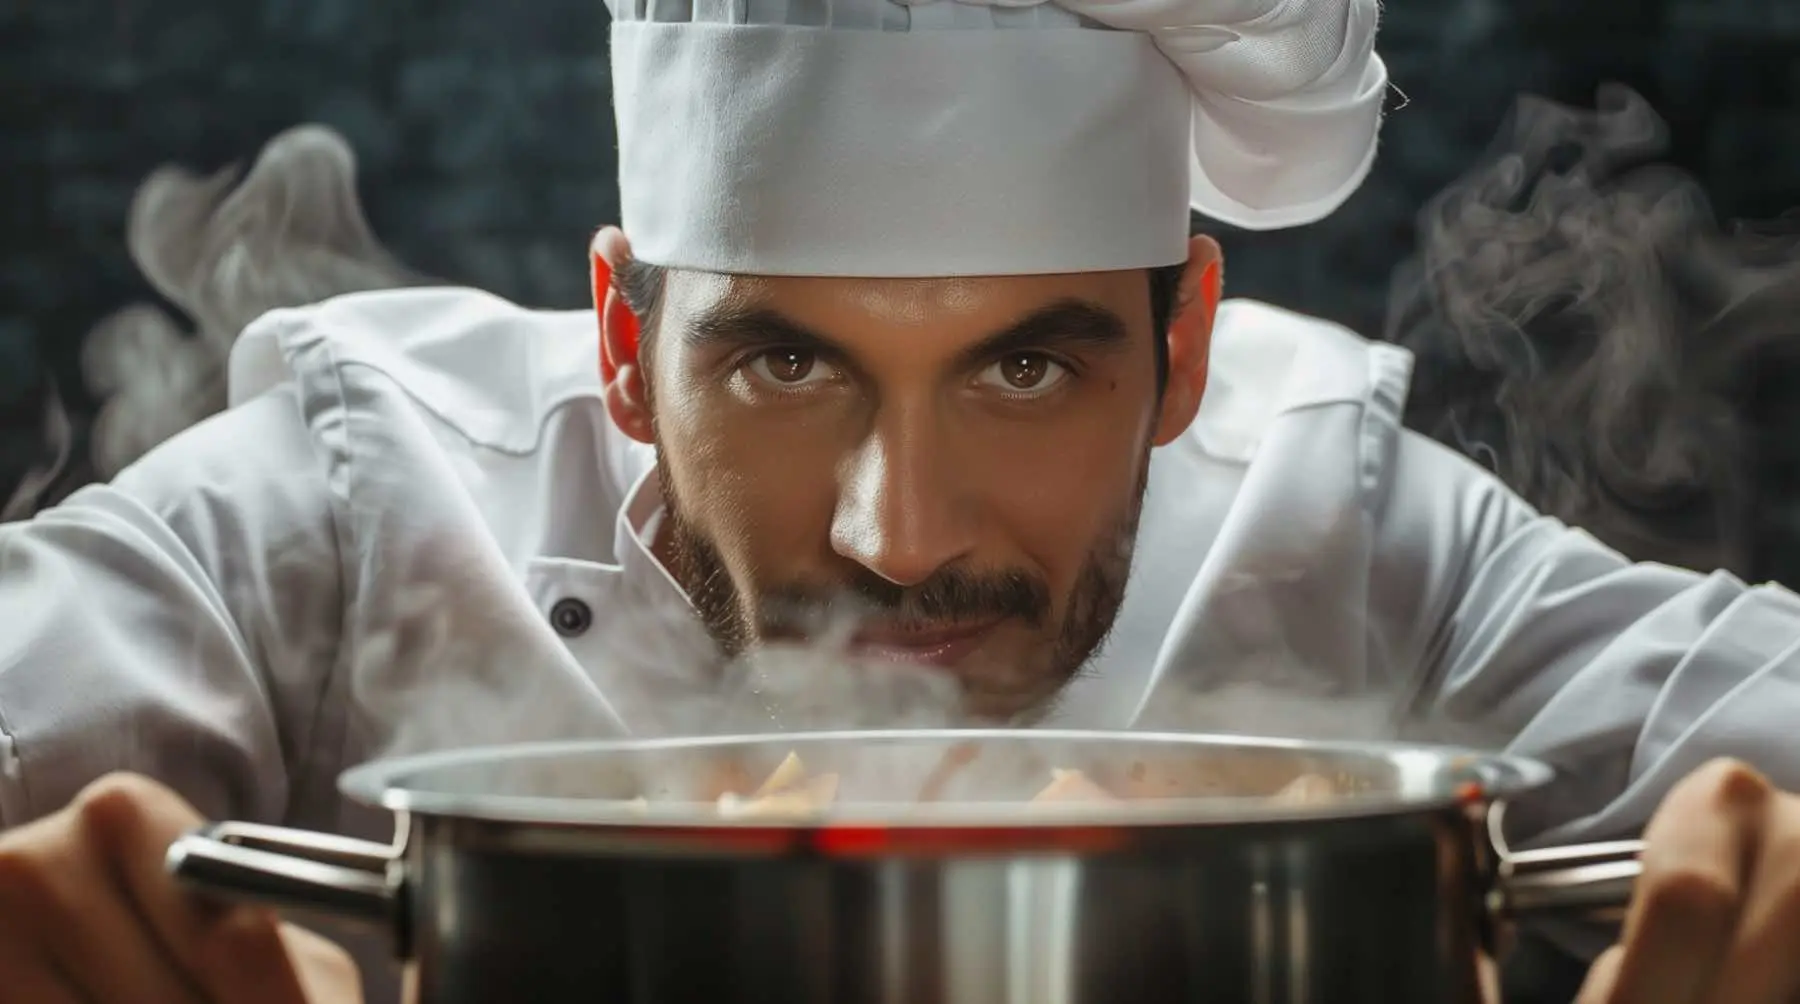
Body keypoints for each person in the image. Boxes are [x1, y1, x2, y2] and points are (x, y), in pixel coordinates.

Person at [2, 0, 1799, 1001]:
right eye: (785, 365)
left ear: (1183, 350)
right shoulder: (352, 494)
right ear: (625, 342)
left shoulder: (1344, 520)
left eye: (1030, 368)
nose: (899, 533)